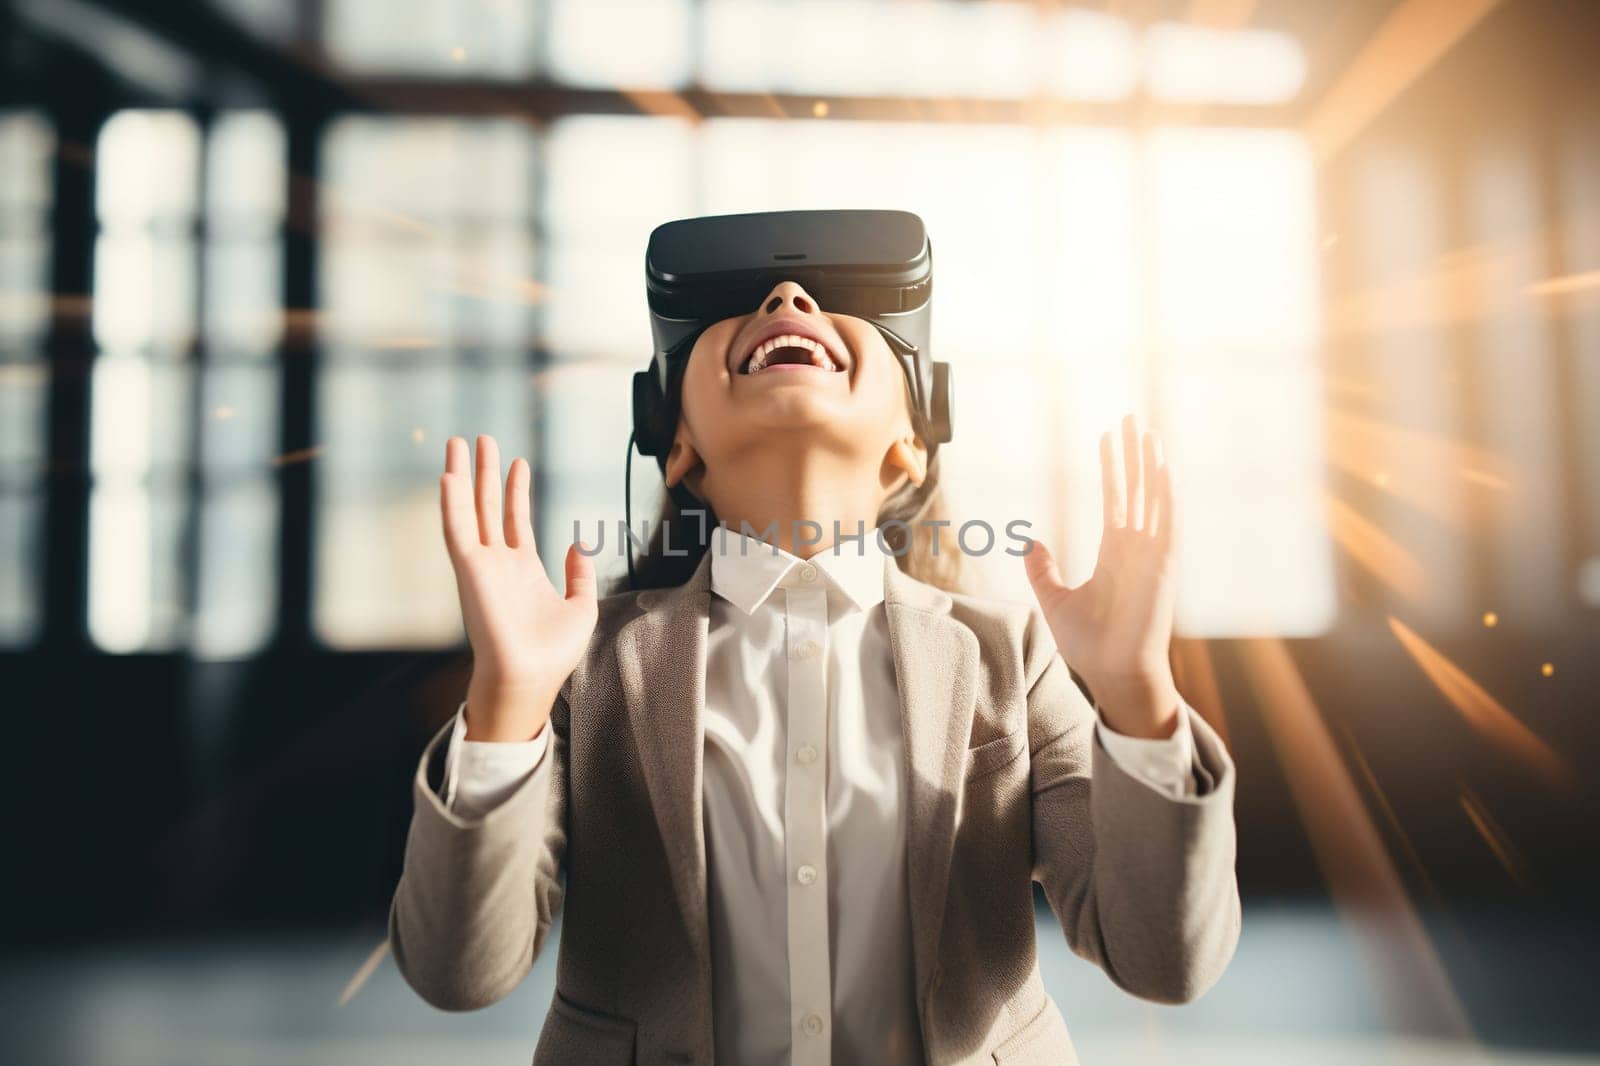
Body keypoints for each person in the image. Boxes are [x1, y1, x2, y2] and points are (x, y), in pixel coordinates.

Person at [388, 278, 1241, 1065]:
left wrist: (1136, 695)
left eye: (838, 299)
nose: (788, 293)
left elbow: (1164, 959)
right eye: (746, 297)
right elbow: (459, 970)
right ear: (676, 442)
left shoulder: (1007, 655)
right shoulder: (587, 670)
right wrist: (508, 699)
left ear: (911, 444)